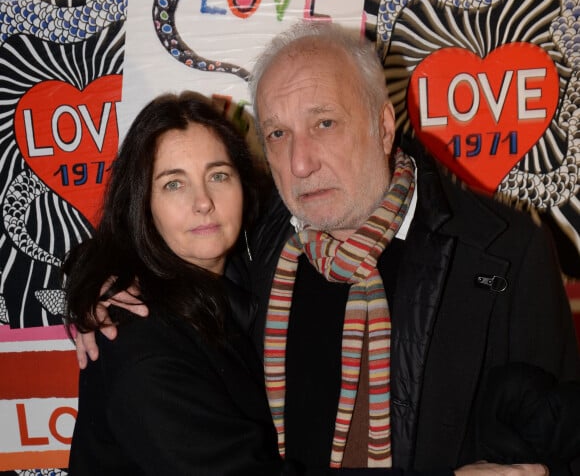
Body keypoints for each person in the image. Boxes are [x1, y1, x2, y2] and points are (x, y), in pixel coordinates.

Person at [76, 23, 580, 476]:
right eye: (277, 133)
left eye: (324, 123)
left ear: (383, 126)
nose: (300, 163)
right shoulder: (257, 240)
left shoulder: (504, 252)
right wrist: (92, 282)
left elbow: (563, 430)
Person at [63, 91, 284, 475]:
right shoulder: (140, 345)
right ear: (142, 203)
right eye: (173, 184)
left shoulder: (244, 280)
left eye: (218, 175)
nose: (203, 202)